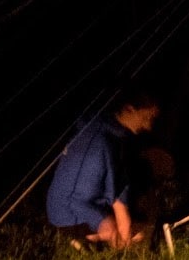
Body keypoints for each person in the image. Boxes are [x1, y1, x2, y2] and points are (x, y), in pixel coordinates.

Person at [46, 89, 160, 250]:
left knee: (142, 225)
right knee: (139, 236)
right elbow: (72, 199)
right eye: (146, 117)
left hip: (94, 204)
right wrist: (103, 222)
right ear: (129, 109)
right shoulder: (96, 141)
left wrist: (122, 214)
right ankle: (82, 241)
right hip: (70, 217)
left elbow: (118, 181)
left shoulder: (115, 135)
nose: (148, 126)